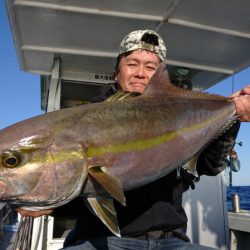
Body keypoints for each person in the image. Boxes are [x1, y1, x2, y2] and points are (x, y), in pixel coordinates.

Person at [16, 30, 250, 249]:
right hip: (106, 239)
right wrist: (49, 204)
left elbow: (208, 167)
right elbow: (81, 186)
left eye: (151, 67)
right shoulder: (88, 120)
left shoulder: (182, 117)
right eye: (132, 64)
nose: (140, 72)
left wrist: (233, 115)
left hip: (172, 240)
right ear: (117, 72)